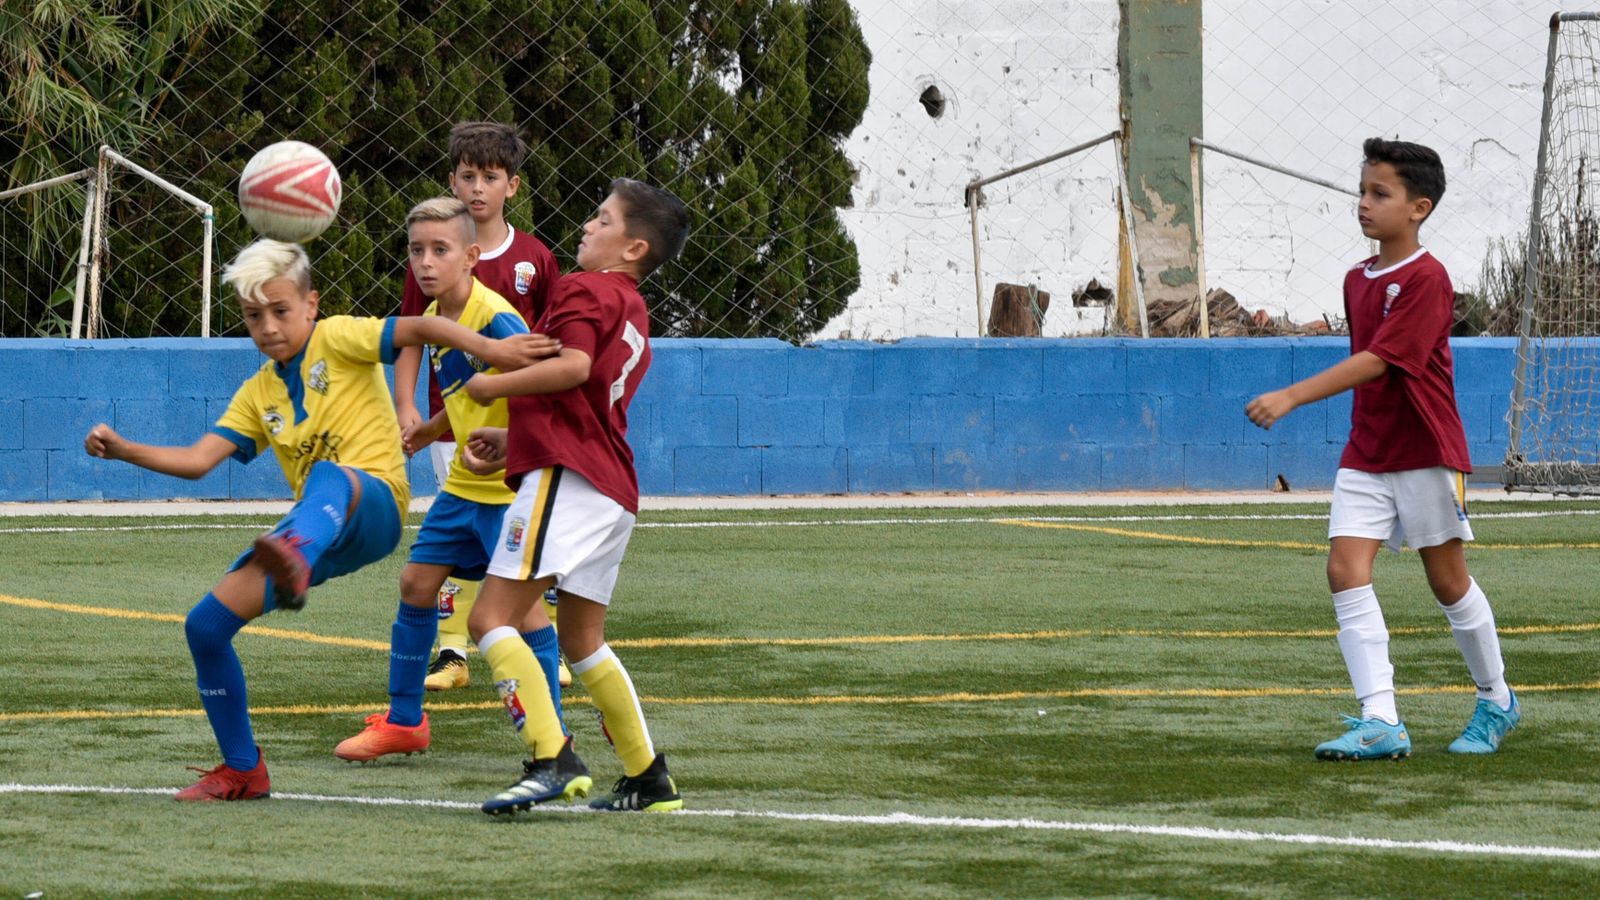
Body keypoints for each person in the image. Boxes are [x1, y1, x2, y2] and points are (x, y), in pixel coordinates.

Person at [83, 238, 553, 801]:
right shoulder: (258, 395)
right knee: (204, 627)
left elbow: (421, 330)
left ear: (311, 305)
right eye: (254, 315)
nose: (268, 326)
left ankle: (296, 557)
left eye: (281, 310)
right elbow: (198, 461)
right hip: (315, 534)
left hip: (374, 503)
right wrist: (125, 449)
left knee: (334, 476)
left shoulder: (337, 337)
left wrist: (488, 348)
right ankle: (243, 770)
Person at [1246, 137, 1520, 761]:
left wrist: (1291, 396)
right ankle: (1380, 720)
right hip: (1368, 452)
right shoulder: (1356, 280)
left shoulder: (1428, 279)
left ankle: (1497, 697)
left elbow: (1380, 361)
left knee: (1448, 583)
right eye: (1362, 191)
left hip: (1427, 450)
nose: (1364, 203)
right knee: (1344, 570)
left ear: (1419, 207)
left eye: (1380, 193)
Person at [458, 177, 689, 814]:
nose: (587, 226)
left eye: (603, 220)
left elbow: (574, 369)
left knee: (488, 618)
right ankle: (648, 776)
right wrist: (517, 442)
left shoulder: (584, 287)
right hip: (609, 485)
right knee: (583, 639)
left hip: (572, 480)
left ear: (634, 247)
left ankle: (549, 756)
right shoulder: (631, 305)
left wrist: (491, 388)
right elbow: (582, 401)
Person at [331, 197, 571, 761]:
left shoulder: (496, 319)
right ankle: (405, 722)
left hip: (509, 493)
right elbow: (468, 389)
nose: (426, 262)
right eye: (417, 250)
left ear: (471, 256)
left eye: (440, 250)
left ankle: (554, 735)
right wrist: (431, 424)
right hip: (463, 486)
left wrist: (513, 449)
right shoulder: (440, 319)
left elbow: (546, 388)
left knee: (524, 610)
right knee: (416, 584)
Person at [391, 121, 565, 693]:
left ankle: (547, 677)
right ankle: (448, 657)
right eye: (467, 176)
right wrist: (415, 413)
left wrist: (523, 423)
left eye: (490, 177)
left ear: (511, 186)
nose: (477, 187)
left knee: (509, 572)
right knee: (432, 566)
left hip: (510, 445)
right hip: (457, 430)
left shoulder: (529, 263)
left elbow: (538, 355)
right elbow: (412, 336)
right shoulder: (431, 267)